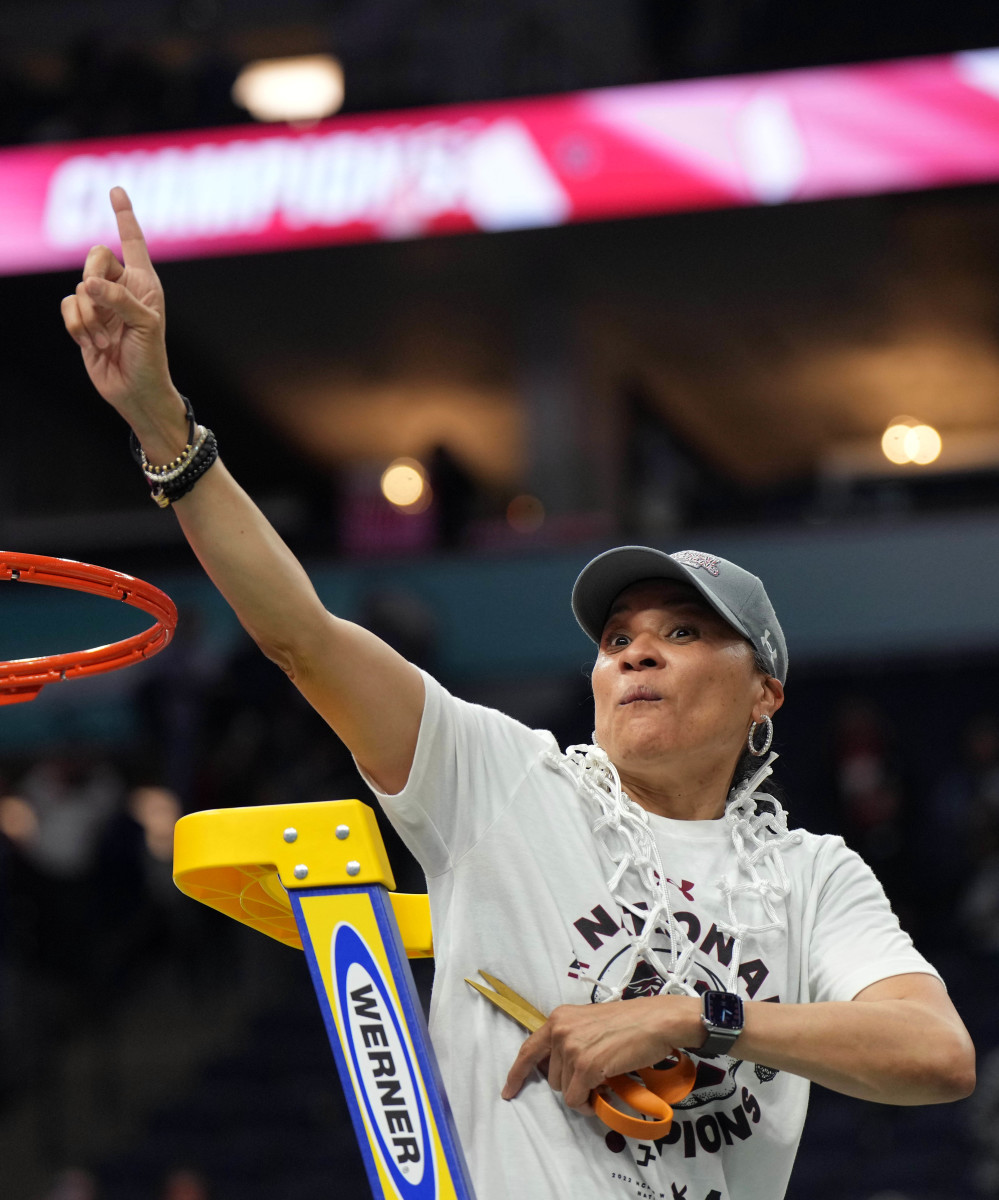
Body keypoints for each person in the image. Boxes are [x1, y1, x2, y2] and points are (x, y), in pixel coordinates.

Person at [61, 189, 975, 1200]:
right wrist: (164, 428)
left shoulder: (812, 877)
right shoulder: (502, 782)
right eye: (618, 638)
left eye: (681, 633)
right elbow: (300, 636)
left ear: (765, 694)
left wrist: (691, 1017)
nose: (635, 654)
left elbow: (936, 1053)